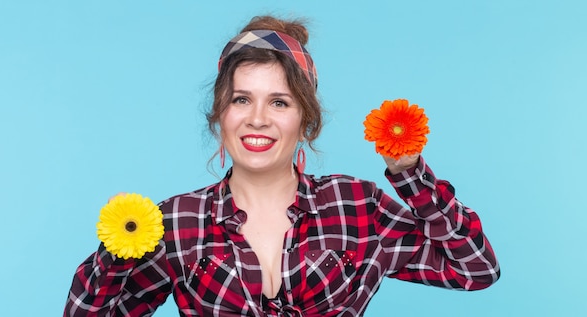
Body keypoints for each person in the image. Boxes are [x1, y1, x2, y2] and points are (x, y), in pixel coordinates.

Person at [64, 15, 500, 317]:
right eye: (241, 99)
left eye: (279, 101)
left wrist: (410, 177)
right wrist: (119, 247)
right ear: (220, 114)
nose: (258, 118)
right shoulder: (175, 222)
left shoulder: (357, 207)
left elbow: (475, 270)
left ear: (305, 120)